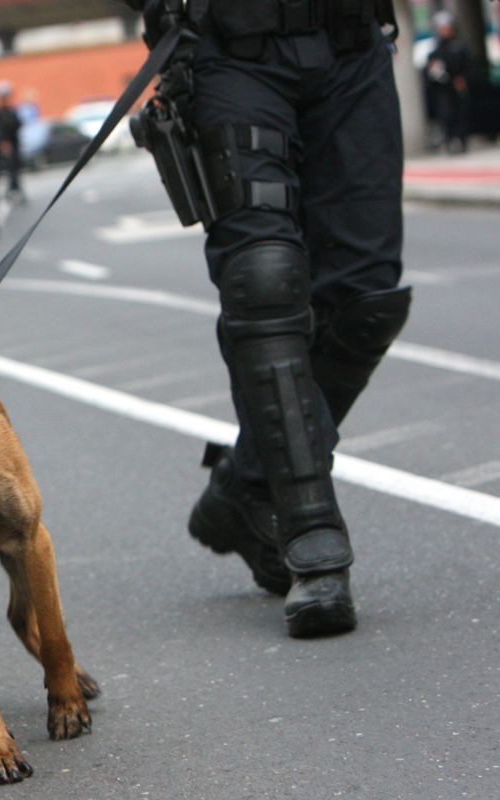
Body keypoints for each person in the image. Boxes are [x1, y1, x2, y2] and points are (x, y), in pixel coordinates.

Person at [127, 0, 411, 638]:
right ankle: (313, 542)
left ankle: (247, 486)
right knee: (263, 280)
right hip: (232, 50)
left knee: (367, 300)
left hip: (352, 40)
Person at [424, 10, 471, 154]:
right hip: (443, 89)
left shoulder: (459, 46)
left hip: (458, 87)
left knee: (461, 114)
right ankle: (450, 141)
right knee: (446, 115)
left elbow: (468, 65)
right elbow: (430, 72)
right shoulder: (435, 50)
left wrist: (463, 78)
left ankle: (461, 141)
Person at [0, 80, 25, 203]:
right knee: (9, 169)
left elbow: (17, 125)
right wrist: (2, 142)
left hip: (14, 144)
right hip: (5, 145)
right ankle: (11, 190)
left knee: (15, 169)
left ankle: (15, 189)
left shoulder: (11, 111)